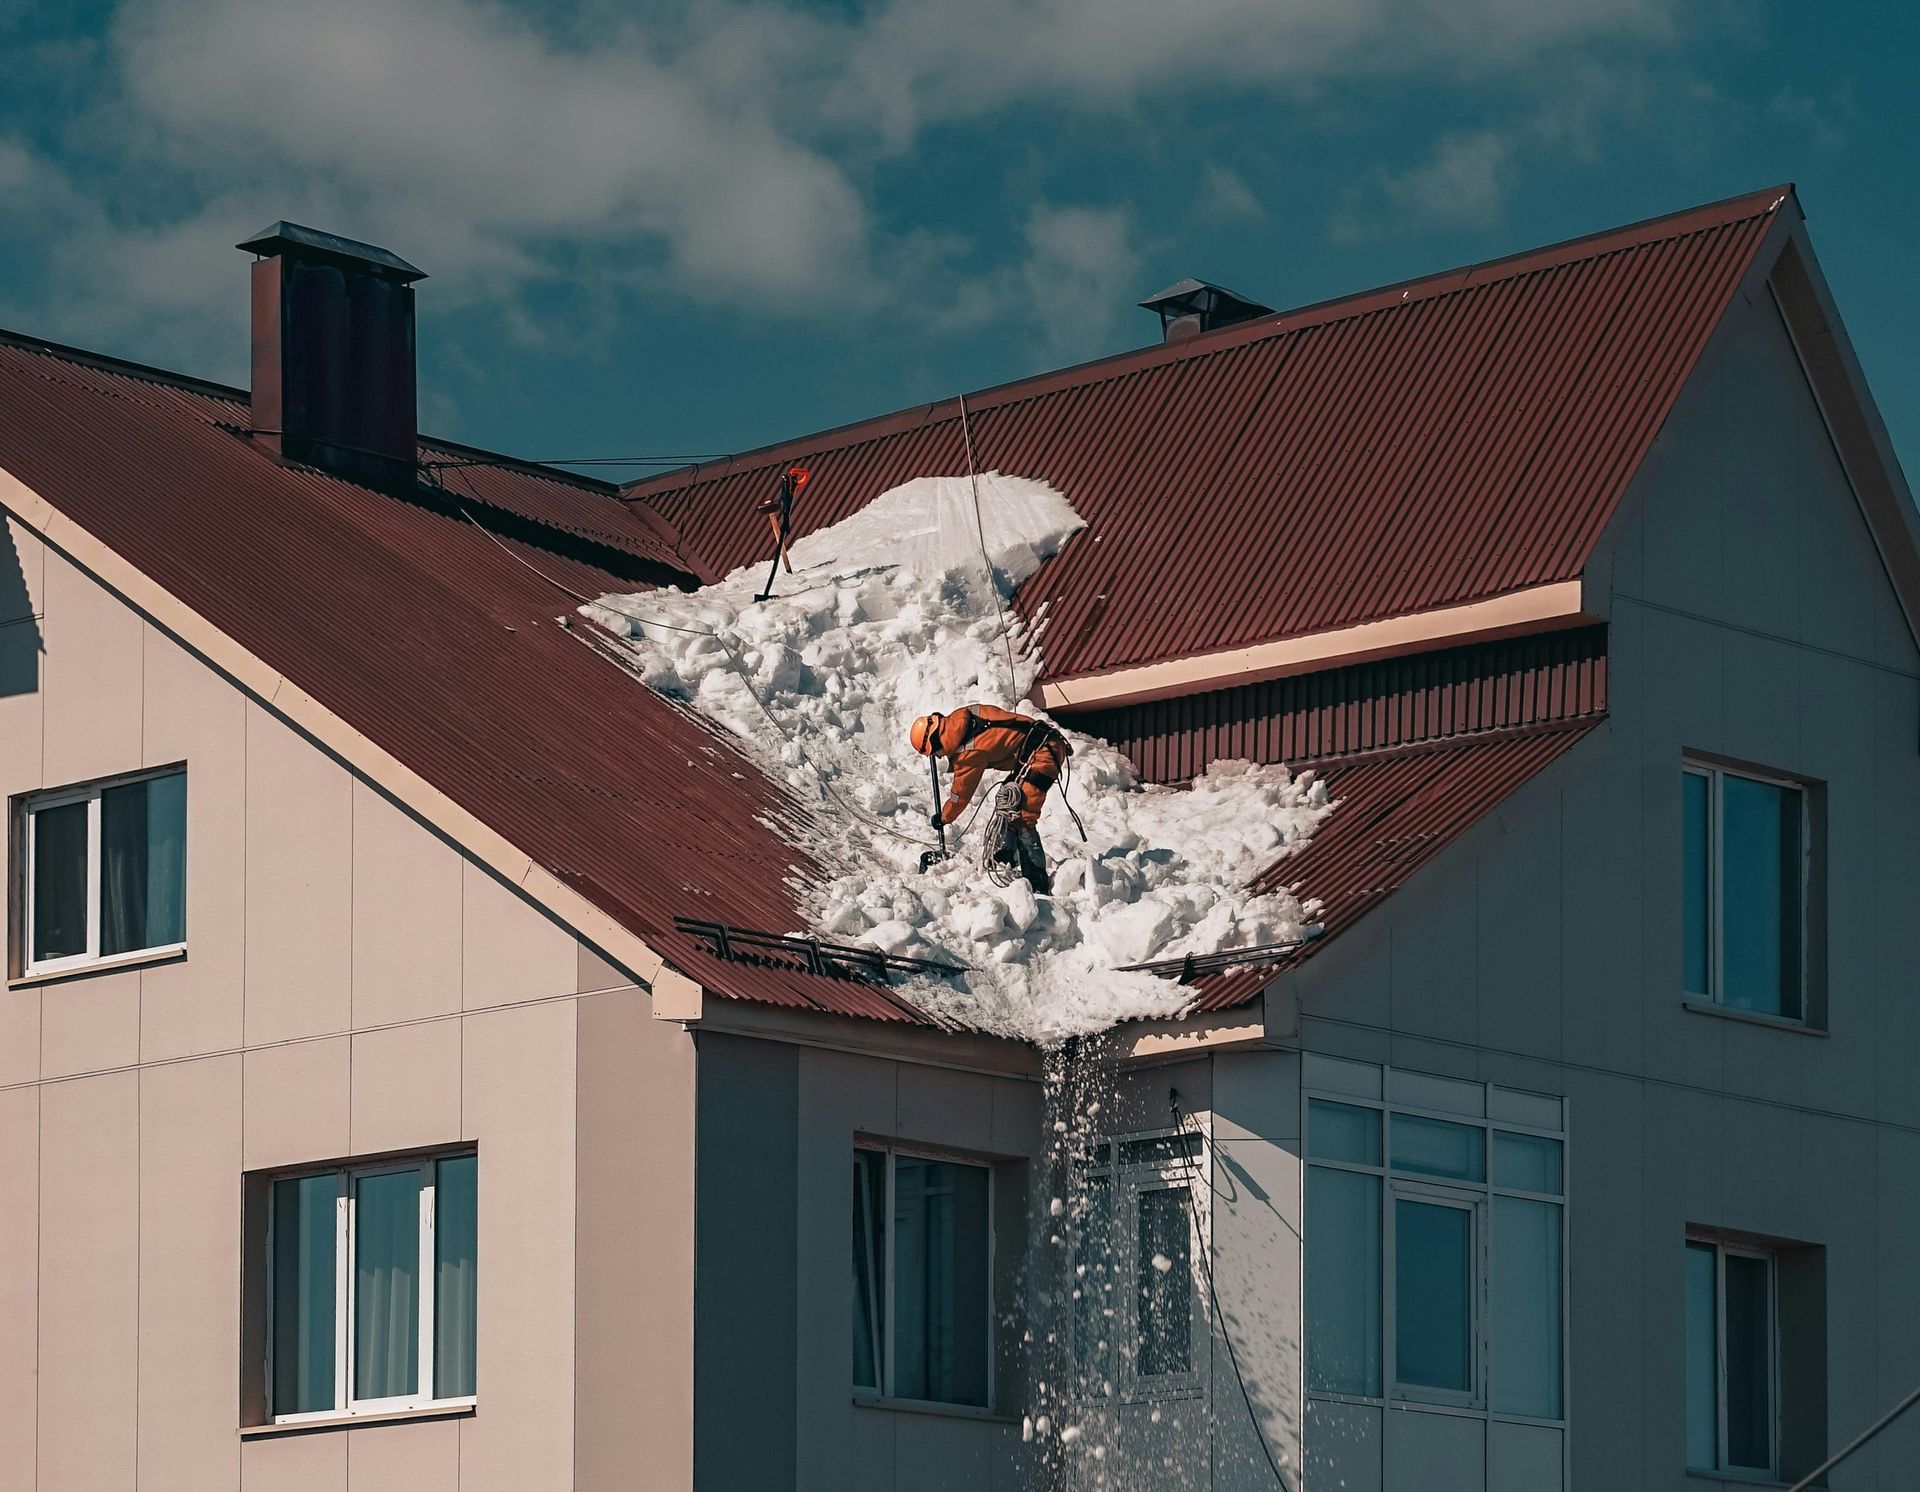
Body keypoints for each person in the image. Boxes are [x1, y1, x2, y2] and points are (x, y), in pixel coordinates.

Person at [909, 704, 1069, 893]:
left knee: (1023, 815)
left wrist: (944, 818)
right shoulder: (963, 717)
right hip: (1037, 746)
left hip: (1043, 753)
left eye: (935, 754)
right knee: (1009, 801)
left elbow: (960, 795)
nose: (939, 757)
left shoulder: (967, 752)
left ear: (934, 744)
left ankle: (1037, 882)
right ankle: (1006, 857)